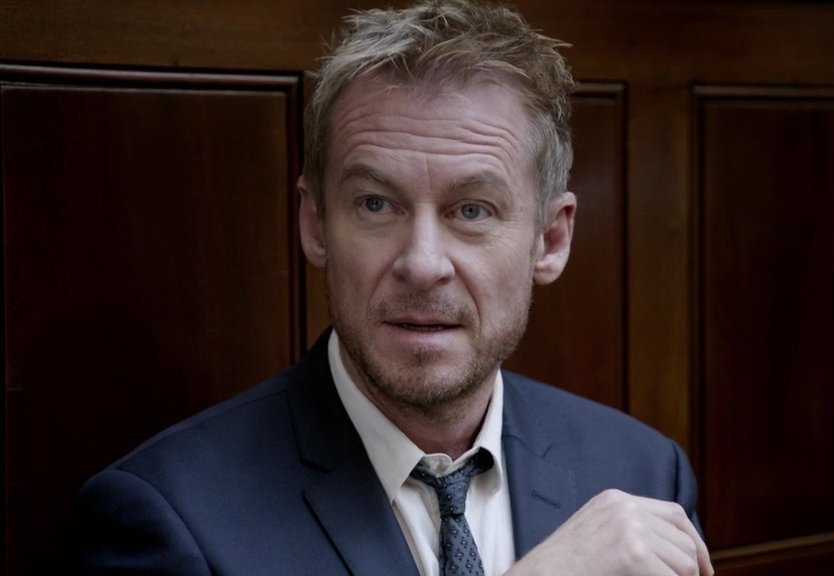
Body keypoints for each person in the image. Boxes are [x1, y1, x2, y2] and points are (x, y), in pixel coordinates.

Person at [69, 1, 713, 574]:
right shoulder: (168, 519)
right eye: (376, 204)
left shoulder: (642, 471)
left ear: (550, 239)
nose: (423, 264)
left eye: (472, 210)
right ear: (315, 224)